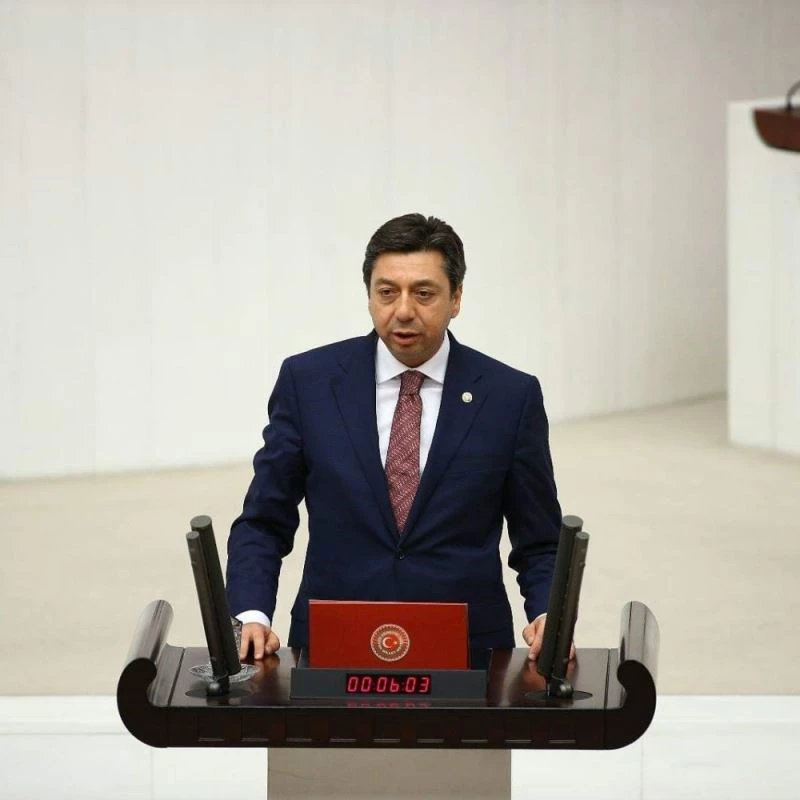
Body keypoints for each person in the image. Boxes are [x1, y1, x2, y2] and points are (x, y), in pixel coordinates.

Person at [226, 213, 564, 663]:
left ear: (456, 298)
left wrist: (547, 613)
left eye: (424, 293)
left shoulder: (509, 397)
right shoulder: (308, 383)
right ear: (369, 295)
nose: (403, 310)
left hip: (469, 656)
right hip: (332, 646)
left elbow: (540, 540)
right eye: (387, 292)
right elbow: (263, 520)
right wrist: (251, 613)